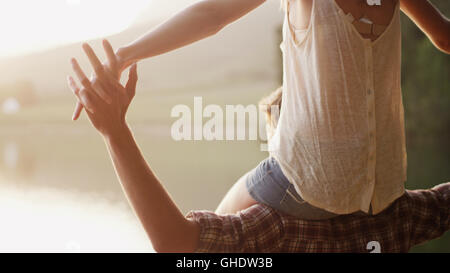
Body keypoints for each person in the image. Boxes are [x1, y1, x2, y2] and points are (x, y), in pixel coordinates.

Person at [67, 0, 450, 251]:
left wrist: (123, 62)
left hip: (318, 186)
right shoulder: (401, 218)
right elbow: (443, 35)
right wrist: (124, 56)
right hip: (377, 192)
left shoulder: (285, 224)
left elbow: (176, 244)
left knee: (231, 210)